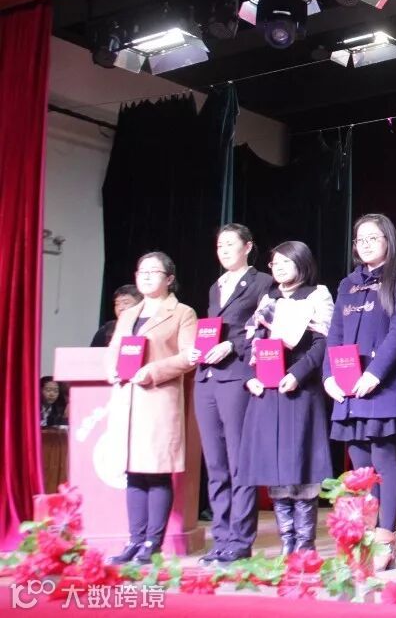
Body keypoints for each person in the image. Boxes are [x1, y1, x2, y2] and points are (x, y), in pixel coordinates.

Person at [324, 214, 396, 572]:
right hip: (347, 388)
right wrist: (328, 377)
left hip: (381, 386)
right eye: (360, 240)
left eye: (373, 238)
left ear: (388, 240)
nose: (365, 245)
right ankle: (362, 537)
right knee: (360, 467)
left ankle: (385, 539)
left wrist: (375, 374)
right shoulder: (348, 284)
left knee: (384, 461)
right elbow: (335, 333)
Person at [239, 241, 335, 556]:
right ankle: (287, 543)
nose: (278, 268)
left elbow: (324, 342)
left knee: (301, 465)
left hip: (300, 389)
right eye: (274, 263)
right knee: (275, 467)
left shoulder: (316, 295)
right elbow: (252, 343)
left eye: (285, 262)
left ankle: (305, 546)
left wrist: (298, 373)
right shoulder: (269, 299)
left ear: (301, 263)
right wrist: (251, 376)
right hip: (267, 392)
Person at [104, 251, 199, 564]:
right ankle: (134, 539)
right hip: (129, 400)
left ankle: (152, 543)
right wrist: (112, 369)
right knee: (133, 472)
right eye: (141, 271)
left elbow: (189, 356)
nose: (145, 276)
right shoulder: (129, 314)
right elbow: (115, 349)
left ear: (169, 278)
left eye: (153, 271)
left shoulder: (182, 313)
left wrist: (153, 371)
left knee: (156, 472)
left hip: (158, 398)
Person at [195, 224, 274, 565]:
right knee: (215, 464)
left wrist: (234, 344)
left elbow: (265, 326)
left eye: (230, 244)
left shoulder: (262, 282)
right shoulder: (216, 286)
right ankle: (221, 537)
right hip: (207, 378)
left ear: (248, 247)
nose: (224, 250)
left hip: (238, 376)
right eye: (219, 245)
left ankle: (240, 540)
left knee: (239, 461)